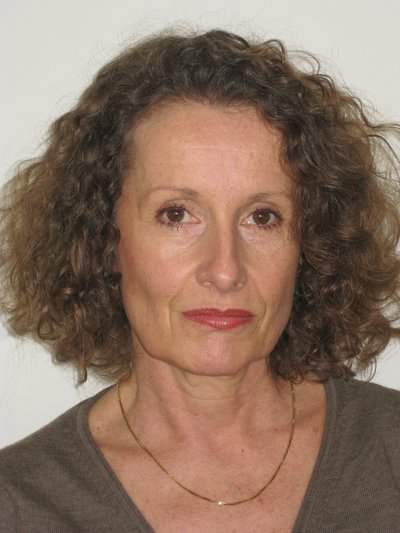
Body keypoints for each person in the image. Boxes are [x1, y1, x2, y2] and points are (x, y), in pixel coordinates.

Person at [0, 29, 399, 532]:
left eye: (262, 217)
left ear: (311, 243)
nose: (225, 270)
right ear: (104, 238)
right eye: (176, 214)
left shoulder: (389, 447)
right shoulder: (19, 505)